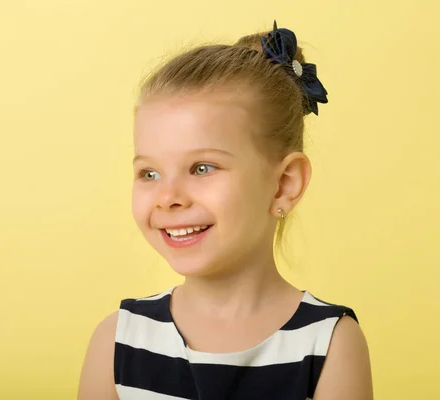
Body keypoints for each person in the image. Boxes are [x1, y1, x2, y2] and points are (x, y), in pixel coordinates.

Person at [78, 20, 373, 400]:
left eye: (202, 168)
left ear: (285, 184)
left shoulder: (330, 344)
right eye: (149, 172)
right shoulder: (117, 342)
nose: (168, 197)